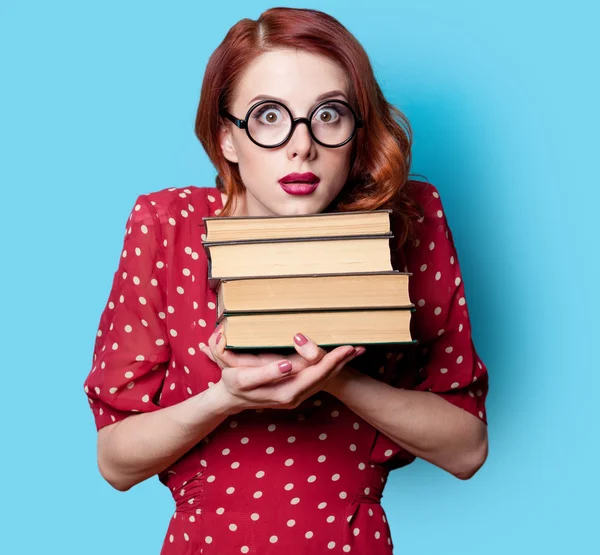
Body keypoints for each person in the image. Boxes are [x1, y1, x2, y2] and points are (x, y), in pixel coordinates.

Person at [83, 7, 489, 554]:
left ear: (357, 131)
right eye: (269, 116)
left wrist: (335, 378)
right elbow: (116, 461)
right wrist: (224, 398)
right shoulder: (168, 227)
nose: (302, 145)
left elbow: (466, 450)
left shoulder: (407, 220)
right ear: (227, 137)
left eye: (328, 114)